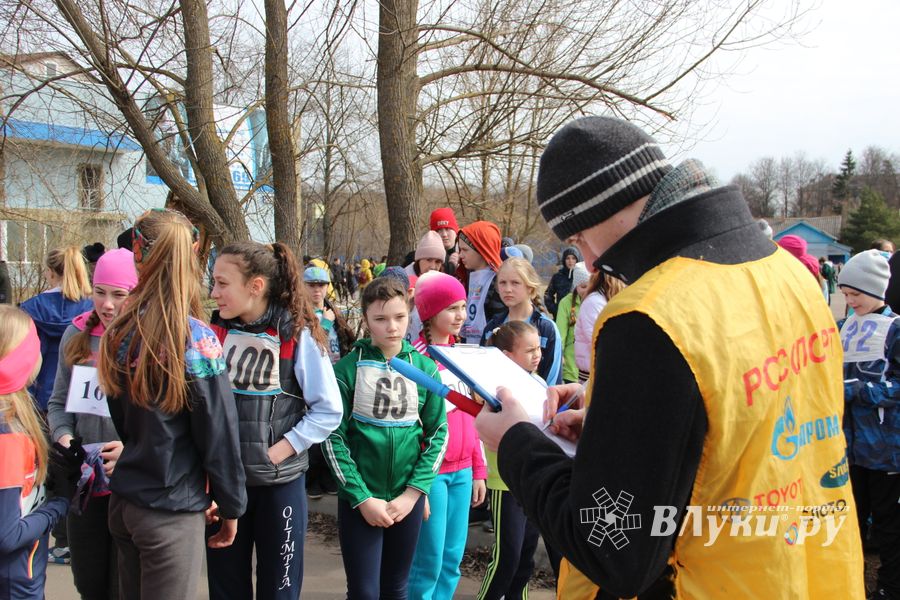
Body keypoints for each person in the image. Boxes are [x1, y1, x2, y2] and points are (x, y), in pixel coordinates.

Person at [475, 116, 864, 598]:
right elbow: (737, 416)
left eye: (576, 239)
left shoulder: (649, 316)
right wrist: (609, 405)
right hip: (807, 570)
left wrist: (516, 441)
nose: (589, 259)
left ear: (601, 212)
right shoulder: (787, 274)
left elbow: (613, 545)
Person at [97, 209, 247, 600]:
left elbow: (123, 417)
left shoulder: (120, 329)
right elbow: (218, 434)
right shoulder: (195, 339)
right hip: (169, 510)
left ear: (137, 253)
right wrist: (231, 507)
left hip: (127, 502)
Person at [205, 242, 342, 600]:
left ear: (256, 286)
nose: (214, 292)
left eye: (222, 283)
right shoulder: (214, 331)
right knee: (225, 588)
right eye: (213, 282)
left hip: (279, 485)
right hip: (226, 485)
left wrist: (280, 451)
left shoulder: (297, 333)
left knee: (279, 589)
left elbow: (328, 409)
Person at [323, 277, 448, 600]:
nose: (391, 327)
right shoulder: (346, 371)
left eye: (399, 317)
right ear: (365, 319)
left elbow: (437, 433)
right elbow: (333, 438)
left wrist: (414, 493)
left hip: (406, 501)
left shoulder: (425, 369)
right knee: (364, 592)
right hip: (361, 502)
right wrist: (362, 497)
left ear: (409, 314)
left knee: (396, 588)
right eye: (380, 319)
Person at [47, 248, 138, 600]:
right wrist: (65, 437)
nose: (108, 304)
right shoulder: (76, 334)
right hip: (84, 486)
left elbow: (169, 418)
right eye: (99, 291)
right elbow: (58, 403)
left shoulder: (149, 340)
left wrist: (133, 450)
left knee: (123, 585)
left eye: (119, 294)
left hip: (132, 484)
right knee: (88, 583)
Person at [408, 272, 487, 599]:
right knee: (428, 561)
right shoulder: (415, 360)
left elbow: (476, 418)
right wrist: (418, 484)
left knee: (452, 559)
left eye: (462, 307)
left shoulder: (466, 357)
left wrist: (479, 470)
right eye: (451, 308)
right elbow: (411, 430)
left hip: (463, 473)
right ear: (429, 313)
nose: (460, 315)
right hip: (432, 476)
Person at [0, 305, 84, 600]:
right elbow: (6, 535)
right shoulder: (8, 435)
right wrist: (58, 503)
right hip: (15, 584)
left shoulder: (15, 421)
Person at [837, 250, 900, 600]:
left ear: (876, 290)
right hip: (849, 448)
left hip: (887, 449)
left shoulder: (895, 328)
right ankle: (852, 585)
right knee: (852, 523)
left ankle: (890, 587)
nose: (848, 301)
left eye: (855, 294)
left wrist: (861, 391)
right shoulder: (845, 326)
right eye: (844, 294)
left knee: (889, 524)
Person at [477, 321, 544, 600]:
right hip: (506, 484)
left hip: (533, 482)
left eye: (539, 347)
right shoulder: (495, 391)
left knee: (525, 560)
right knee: (508, 559)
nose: (537, 354)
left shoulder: (538, 382)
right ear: (507, 356)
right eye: (529, 350)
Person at [303, 265, 356, 499]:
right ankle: (311, 479)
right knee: (316, 427)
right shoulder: (301, 314)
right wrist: (324, 323)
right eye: (312, 285)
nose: (317, 290)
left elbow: (344, 339)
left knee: (335, 427)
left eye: (322, 285)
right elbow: (308, 346)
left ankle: (328, 475)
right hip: (313, 380)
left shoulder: (331, 310)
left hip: (335, 375)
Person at [21, 246, 93, 413]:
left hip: (38, 395)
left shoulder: (30, 308)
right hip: (82, 396)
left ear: (51, 272)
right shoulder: (92, 309)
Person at [481, 257, 563, 386]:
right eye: (503, 283)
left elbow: (553, 383)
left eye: (515, 283)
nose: (508, 289)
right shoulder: (491, 328)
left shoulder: (547, 329)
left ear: (530, 287)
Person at [457, 221, 505, 344]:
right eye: (460, 250)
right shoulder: (465, 278)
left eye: (465, 250)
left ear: (481, 249)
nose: (460, 255)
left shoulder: (500, 281)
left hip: (490, 350)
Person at [574, 270, 625, 384]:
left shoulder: (605, 300)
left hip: (602, 370)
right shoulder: (594, 302)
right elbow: (599, 340)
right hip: (593, 375)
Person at [555, 262, 590, 384]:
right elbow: (560, 334)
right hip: (572, 367)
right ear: (575, 286)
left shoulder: (598, 301)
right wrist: (560, 355)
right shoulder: (566, 303)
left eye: (592, 286)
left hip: (593, 368)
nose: (588, 291)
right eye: (584, 287)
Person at [544, 247, 581, 318]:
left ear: (577, 260)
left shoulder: (582, 275)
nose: (570, 261)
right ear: (564, 260)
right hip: (560, 316)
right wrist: (555, 309)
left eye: (573, 258)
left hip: (577, 317)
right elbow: (547, 294)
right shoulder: (557, 276)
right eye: (568, 258)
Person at [430, 207, 460, 274]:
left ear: (455, 231)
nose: (444, 234)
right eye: (439, 230)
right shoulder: (426, 259)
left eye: (447, 229)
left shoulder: (467, 254)